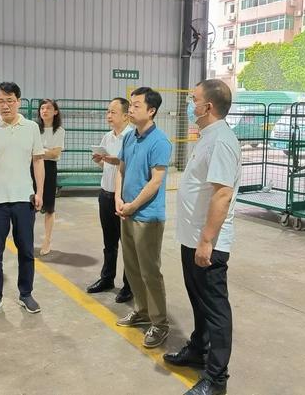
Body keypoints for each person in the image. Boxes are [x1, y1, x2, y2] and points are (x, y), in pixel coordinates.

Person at [163, 79, 241, 395]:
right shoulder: (207, 137)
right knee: (199, 301)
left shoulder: (221, 140)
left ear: (207, 106)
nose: (189, 103)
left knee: (215, 307)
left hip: (208, 242)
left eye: (193, 99)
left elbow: (222, 194)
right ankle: (199, 348)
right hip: (193, 237)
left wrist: (207, 240)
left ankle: (216, 378)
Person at [0, 82, 45, 318]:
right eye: (1, 101)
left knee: (26, 250)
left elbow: (38, 161)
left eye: (10, 100)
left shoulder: (31, 127)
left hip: (24, 198)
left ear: (19, 101)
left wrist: (40, 192)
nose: (5, 105)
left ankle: (26, 294)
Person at [114, 87, 172, 348]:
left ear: (151, 111)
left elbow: (156, 182)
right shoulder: (128, 137)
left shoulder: (160, 141)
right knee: (132, 267)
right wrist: (118, 198)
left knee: (150, 271)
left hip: (147, 216)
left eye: (137, 105)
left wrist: (133, 205)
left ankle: (160, 324)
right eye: (131, 105)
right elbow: (121, 169)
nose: (131, 109)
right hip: (125, 211)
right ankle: (142, 311)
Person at [86, 97, 133, 303]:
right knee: (109, 242)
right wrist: (100, 160)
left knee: (127, 243)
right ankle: (107, 278)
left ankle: (129, 285)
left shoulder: (132, 137)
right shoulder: (107, 137)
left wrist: (116, 160)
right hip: (105, 194)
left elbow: (130, 167)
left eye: (113, 112)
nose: (109, 116)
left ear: (125, 115)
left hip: (123, 198)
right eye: (108, 112)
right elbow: (107, 167)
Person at [31, 99, 65, 256]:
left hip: (50, 170)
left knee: (49, 207)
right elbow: (32, 150)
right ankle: (27, 239)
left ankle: (47, 240)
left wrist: (39, 150)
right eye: (42, 108)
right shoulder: (34, 128)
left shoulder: (59, 131)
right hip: (32, 167)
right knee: (29, 205)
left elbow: (55, 154)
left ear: (55, 112)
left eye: (48, 108)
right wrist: (46, 151)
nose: (44, 111)